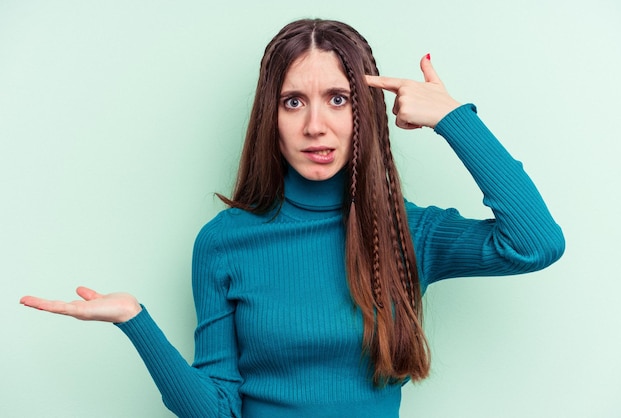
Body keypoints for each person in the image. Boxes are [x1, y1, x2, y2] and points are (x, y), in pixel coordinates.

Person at [20, 18, 565, 418]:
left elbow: (535, 243)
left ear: (365, 114)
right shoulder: (223, 243)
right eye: (294, 102)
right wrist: (135, 321)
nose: (316, 126)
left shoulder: (406, 232)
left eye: (338, 99)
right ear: (271, 117)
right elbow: (217, 410)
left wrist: (452, 119)